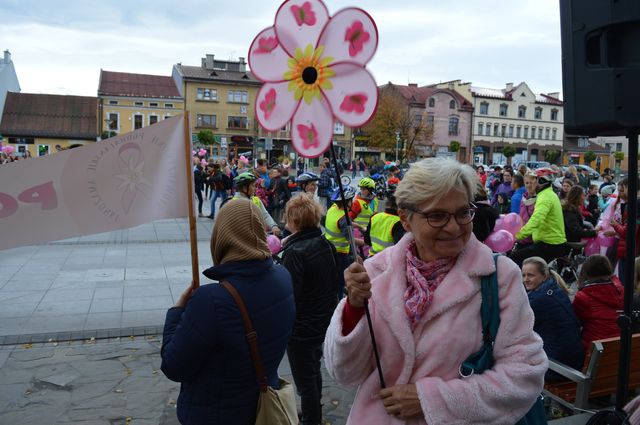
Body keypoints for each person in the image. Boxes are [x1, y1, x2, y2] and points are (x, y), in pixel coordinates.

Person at [323, 158, 547, 424]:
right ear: (406, 219)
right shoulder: (375, 272)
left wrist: (432, 400)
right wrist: (353, 309)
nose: (453, 227)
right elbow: (345, 373)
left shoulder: (499, 276)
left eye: (463, 213)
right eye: (437, 216)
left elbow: (525, 373)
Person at [160, 198, 296, 425]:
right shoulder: (283, 277)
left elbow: (173, 366)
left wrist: (176, 312)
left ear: (221, 237)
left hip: (217, 414)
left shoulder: (212, 300)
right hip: (264, 407)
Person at [280, 194, 340, 425]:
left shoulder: (295, 253)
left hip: (302, 328)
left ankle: (311, 419)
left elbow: (289, 294)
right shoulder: (325, 244)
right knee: (313, 371)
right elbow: (335, 283)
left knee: (305, 382)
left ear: (294, 221)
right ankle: (314, 410)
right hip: (323, 322)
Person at [521, 257, 585, 378]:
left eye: (530, 275)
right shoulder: (557, 291)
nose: (526, 280)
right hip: (573, 360)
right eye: (523, 275)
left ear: (544, 276)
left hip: (557, 366)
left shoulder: (538, 299)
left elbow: (515, 329)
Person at [512, 167, 568, 267]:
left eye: (534, 180)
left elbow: (536, 220)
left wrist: (517, 236)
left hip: (550, 244)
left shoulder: (544, 198)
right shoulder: (548, 194)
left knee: (515, 258)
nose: (532, 184)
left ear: (541, 181)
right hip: (550, 242)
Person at [573, 255, 624, 350]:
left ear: (586, 272)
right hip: (622, 346)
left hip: (596, 349)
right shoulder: (621, 290)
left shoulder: (583, 297)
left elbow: (574, 322)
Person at [323, 187, 363, 298]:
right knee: (340, 281)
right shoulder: (343, 217)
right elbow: (350, 239)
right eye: (351, 200)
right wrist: (364, 242)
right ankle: (339, 300)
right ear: (347, 202)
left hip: (329, 249)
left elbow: (347, 223)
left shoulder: (333, 208)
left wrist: (359, 226)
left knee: (332, 278)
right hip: (340, 254)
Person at [608, 177, 640, 285]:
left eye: (624, 188)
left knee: (625, 281)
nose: (622, 192)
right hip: (631, 248)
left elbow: (627, 232)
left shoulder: (634, 205)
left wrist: (615, 225)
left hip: (629, 249)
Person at [231, 172, 281, 236]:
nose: (255, 188)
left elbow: (265, 215)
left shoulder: (256, 200)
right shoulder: (234, 203)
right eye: (253, 186)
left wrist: (273, 226)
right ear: (244, 188)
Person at [364, 185, 405, 256]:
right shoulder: (398, 222)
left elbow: (367, 241)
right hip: (387, 263)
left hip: (371, 259)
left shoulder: (375, 216)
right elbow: (400, 250)